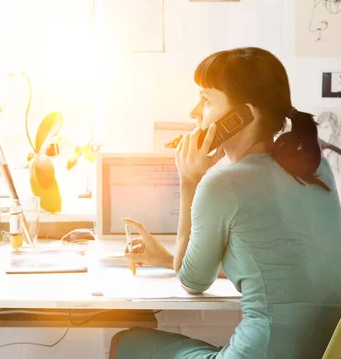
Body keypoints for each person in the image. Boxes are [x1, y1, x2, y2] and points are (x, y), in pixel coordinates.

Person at [109, 47, 341, 358]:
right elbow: (280, 265)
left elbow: (191, 281)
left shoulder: (222, 184)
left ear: (242, 115)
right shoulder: (315, 168)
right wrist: (168, 259)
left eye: (205, 100)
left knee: (127, 341)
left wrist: (189, 181)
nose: (194, 112)